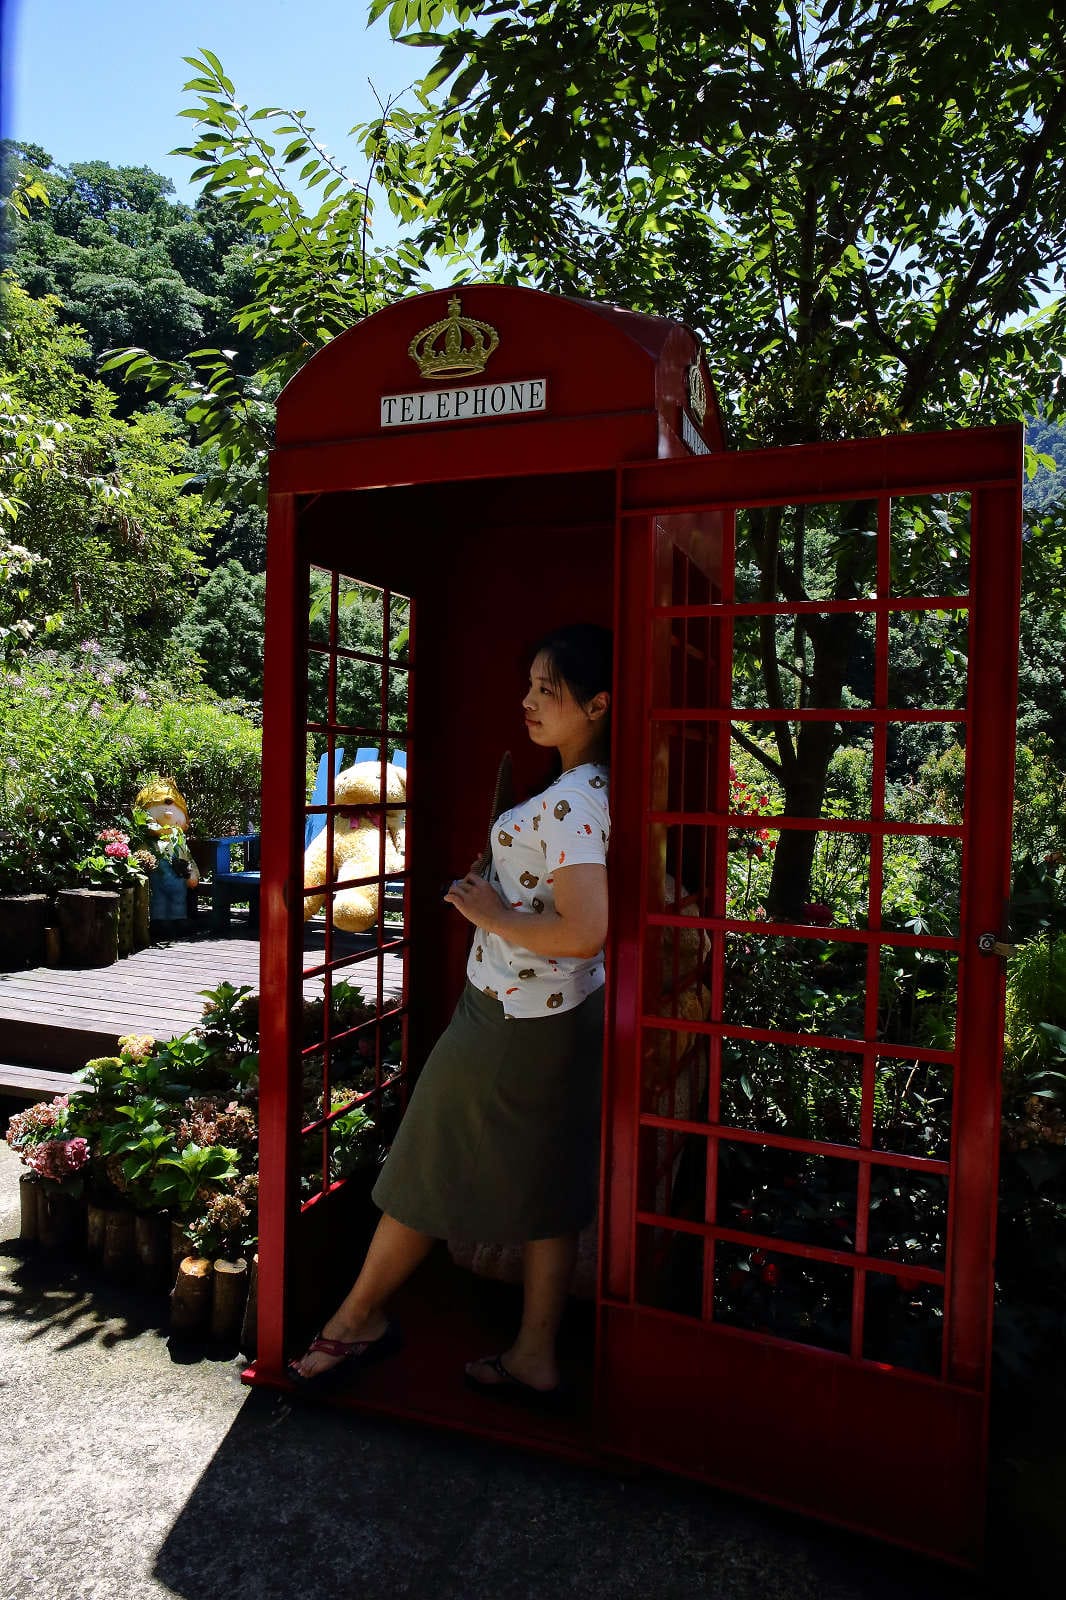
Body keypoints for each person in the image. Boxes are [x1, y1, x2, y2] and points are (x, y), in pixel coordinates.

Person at [288, 622, 612, 1406]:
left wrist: (488, 911)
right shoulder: (596, 790)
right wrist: (498, 888)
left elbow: (584, 926)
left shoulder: (570, 803)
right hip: (565, 1014)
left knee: (422, 1165)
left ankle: (355, 1319)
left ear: (598, 704)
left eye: (549, 690)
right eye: (529, 684)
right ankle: (535, 1352)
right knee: (549, 1185)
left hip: (507, 1011)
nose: (528, 701)